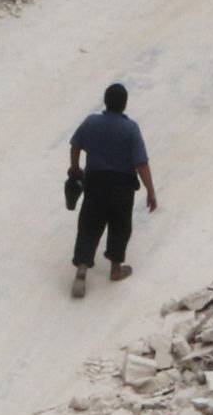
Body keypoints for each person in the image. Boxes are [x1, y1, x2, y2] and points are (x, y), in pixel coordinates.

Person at [68, 83, 158, 298]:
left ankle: (82, 268)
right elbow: (141, 164)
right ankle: (116, 269)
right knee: (120, 225)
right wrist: (151, 191)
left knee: (89, 223)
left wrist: (75, 167)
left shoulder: (91, 123)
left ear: (105, 102)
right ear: (124, 104)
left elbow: (75, 144)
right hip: (122, 186)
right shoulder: (130, 129)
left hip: (95, 182)